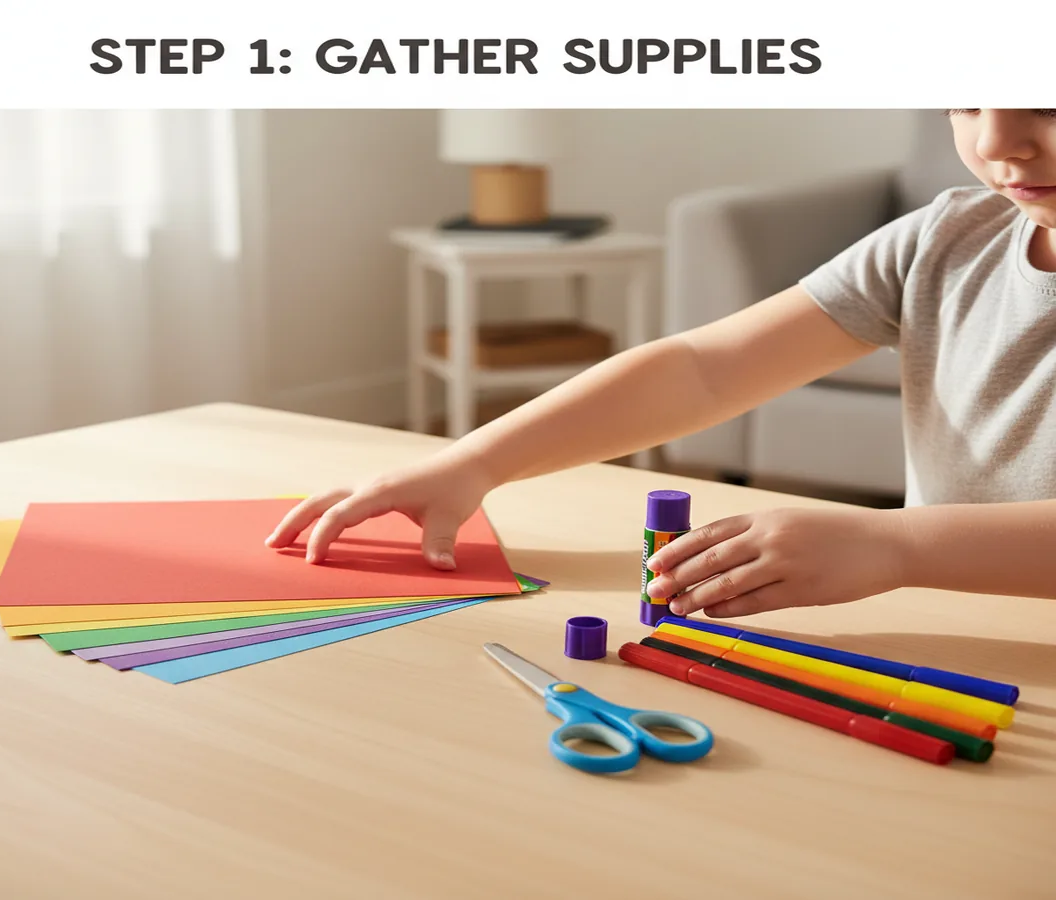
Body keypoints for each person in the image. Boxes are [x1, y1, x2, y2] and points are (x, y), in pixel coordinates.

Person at [267, 109, 1056, 619]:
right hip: (947, 614)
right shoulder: (950, 236)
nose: (993, 144)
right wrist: (474, 462)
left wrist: (892, 545)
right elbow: (704, 370)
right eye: (965, 101)